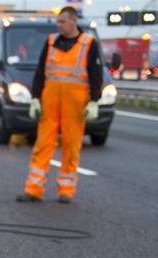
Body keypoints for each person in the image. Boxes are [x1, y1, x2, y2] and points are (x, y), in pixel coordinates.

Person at [16, 6, 103, 204]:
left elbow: (95, 74)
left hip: (75, 102)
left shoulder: (88, 44)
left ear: (73, 21)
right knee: (42, 145)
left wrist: (94, 101)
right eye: (58, 22)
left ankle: (66, 190)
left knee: (71, 146)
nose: (59, 25)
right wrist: (35, 97)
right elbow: (40, 71)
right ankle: (33, 189)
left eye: (62, 21)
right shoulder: (51, 42)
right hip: (50, 100)